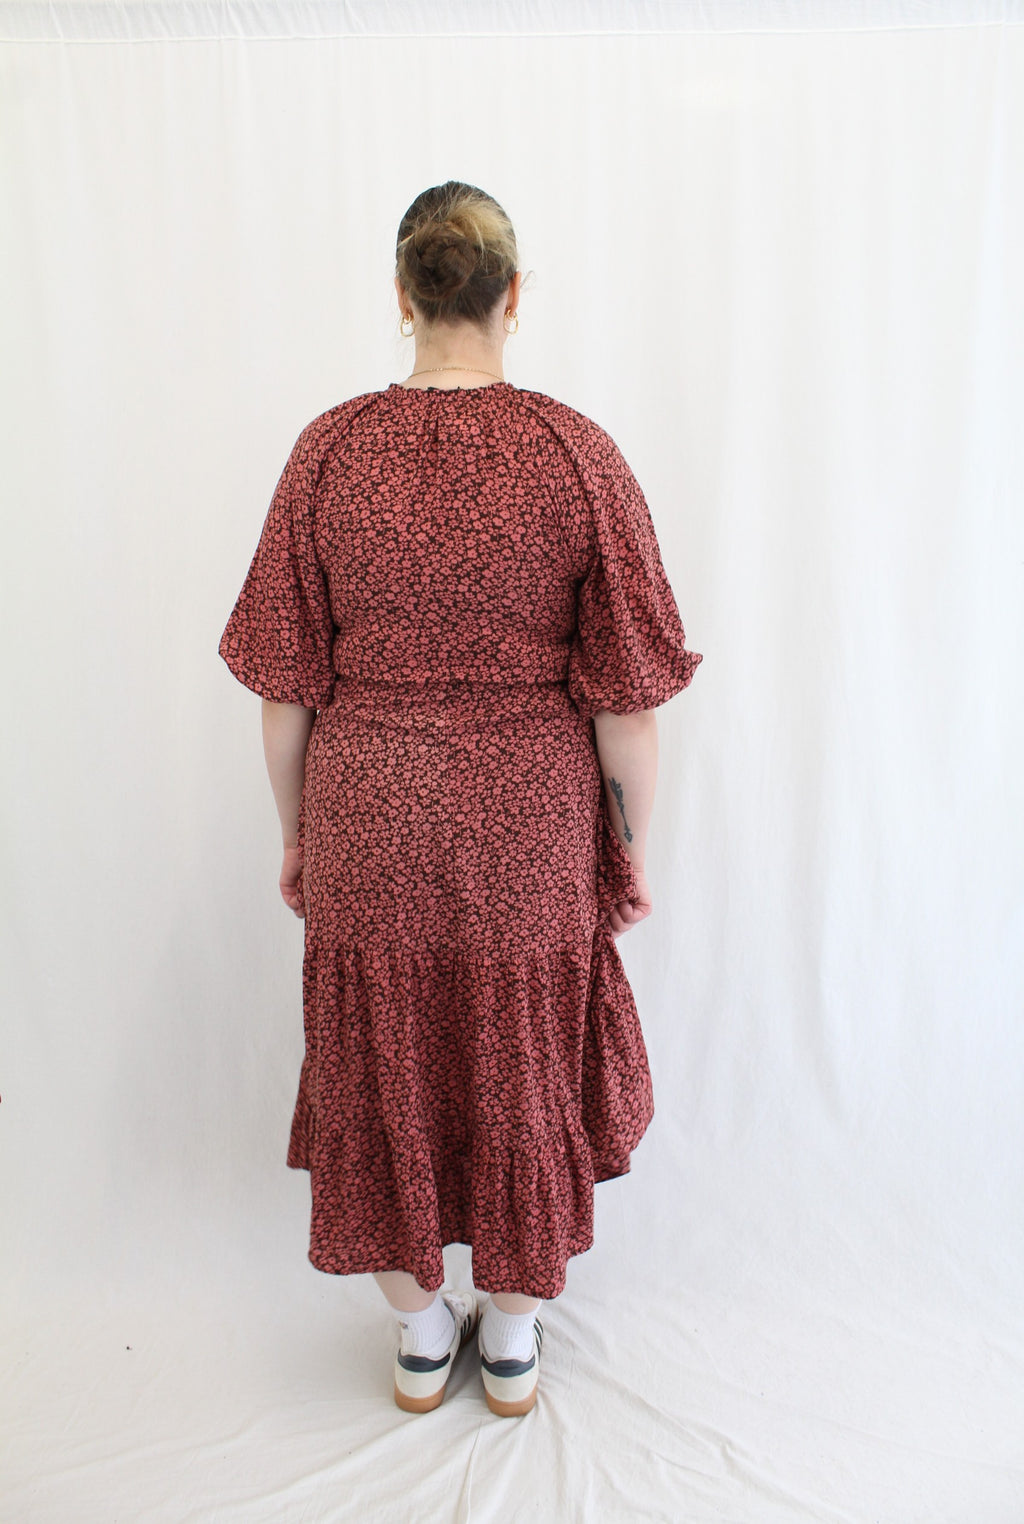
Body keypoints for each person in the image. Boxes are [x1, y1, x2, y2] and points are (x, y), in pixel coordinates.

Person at [219, 180, 702, 1419]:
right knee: (525, 1068)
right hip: (529, 830)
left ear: (403, 294)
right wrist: (629, 853)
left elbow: (284, 691)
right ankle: (514, 1338)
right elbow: (628, 707)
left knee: (380, 1066)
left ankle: (422, 1335)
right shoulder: (576, 454)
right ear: (512, 297)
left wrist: (296, 834)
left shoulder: (328, 451)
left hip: (368, 817)